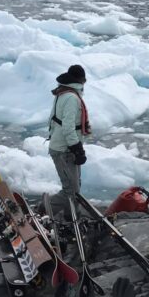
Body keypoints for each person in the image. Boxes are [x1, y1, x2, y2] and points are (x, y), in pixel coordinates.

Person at [48, 64, 90, 203]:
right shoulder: (72, 97)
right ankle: (44, 209)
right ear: (80, 80)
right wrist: (77, 149)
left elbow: (54, 120)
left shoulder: (63, 92)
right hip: (63, 149)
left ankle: (71, 217)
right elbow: (68, 127)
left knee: (74, 188)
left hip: (64, 147)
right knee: (71, 191)